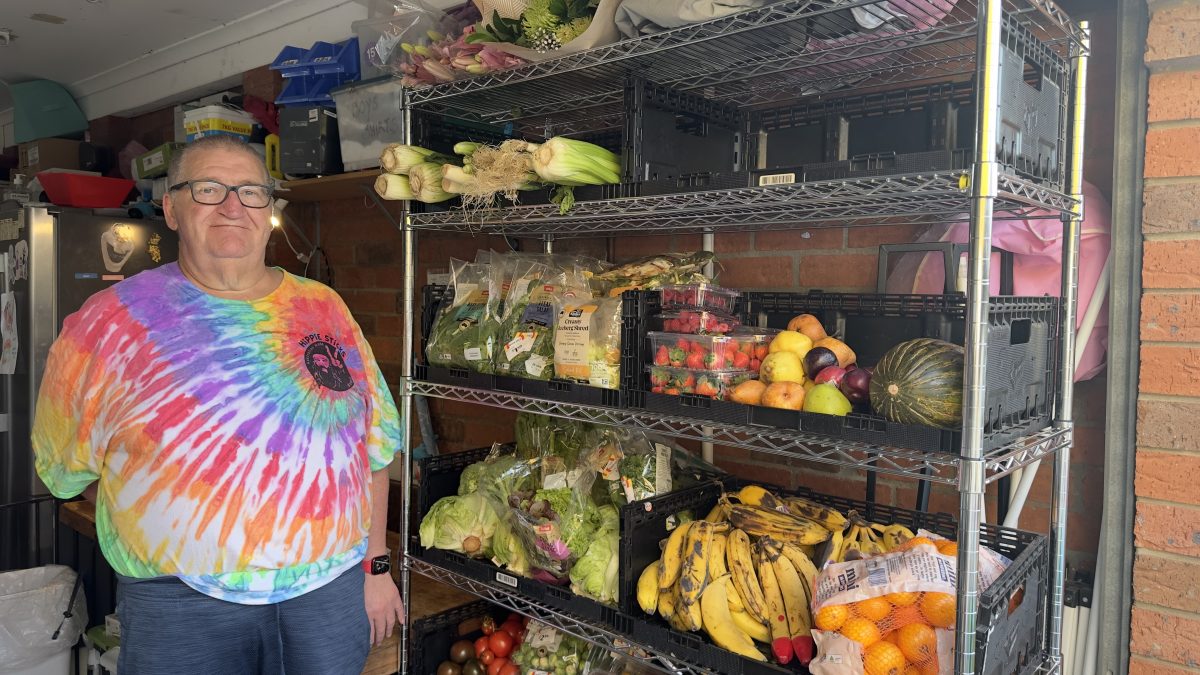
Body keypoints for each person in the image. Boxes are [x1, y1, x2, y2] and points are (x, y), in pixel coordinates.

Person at [31, 134, 405, 674]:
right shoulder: (108, 324)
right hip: (182, 606)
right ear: (172, 208)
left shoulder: (323, 307)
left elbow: (375, 449)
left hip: (328, 596)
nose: (233, 206)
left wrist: (376, 567)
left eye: (251, 191)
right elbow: (65, 471)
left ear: (270, 209)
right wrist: (168, 505)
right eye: (209, 189)